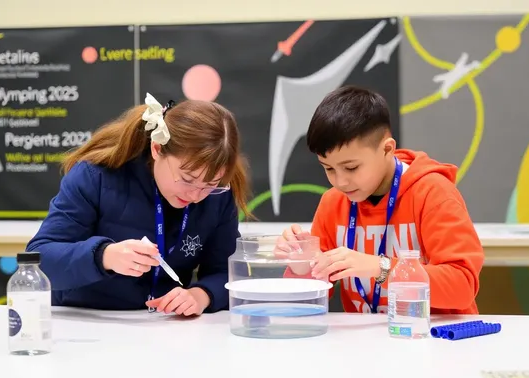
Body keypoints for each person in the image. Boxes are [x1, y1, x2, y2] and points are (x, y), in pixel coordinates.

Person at [26, 93, 252, 316]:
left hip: (164, 329)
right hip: (83, 320)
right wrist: (105, 256)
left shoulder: (219, 193)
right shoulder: (96, 177)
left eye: (211, 184)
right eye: (187, 179)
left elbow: (227, 271)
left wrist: (202, 295)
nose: (196, 195)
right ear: (157, 149)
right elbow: (40, 259)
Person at [278, 85, 484, 315]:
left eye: (351, 167)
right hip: (368, 345)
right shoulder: (332, 203)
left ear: (387, 149)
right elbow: (306, 306)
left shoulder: (433, 193)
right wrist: (301, 267)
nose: (341, 181)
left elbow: (462, 285)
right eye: (328, 169)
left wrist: (381, 268)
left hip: (437, 341)